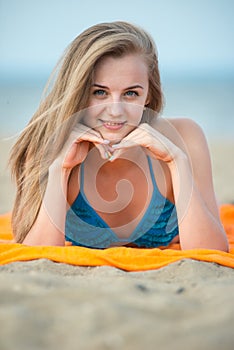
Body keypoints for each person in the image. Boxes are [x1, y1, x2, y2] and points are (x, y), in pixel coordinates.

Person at [9, 21, 229, 251]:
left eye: (131, 93)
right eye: (100, 92)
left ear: (148, 96)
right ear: (78, 92)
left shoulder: (185, 136)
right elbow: (37, 255)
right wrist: (60, 170)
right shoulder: (48, 144)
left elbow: (212, 251)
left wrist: (177, 162)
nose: (115, 110)